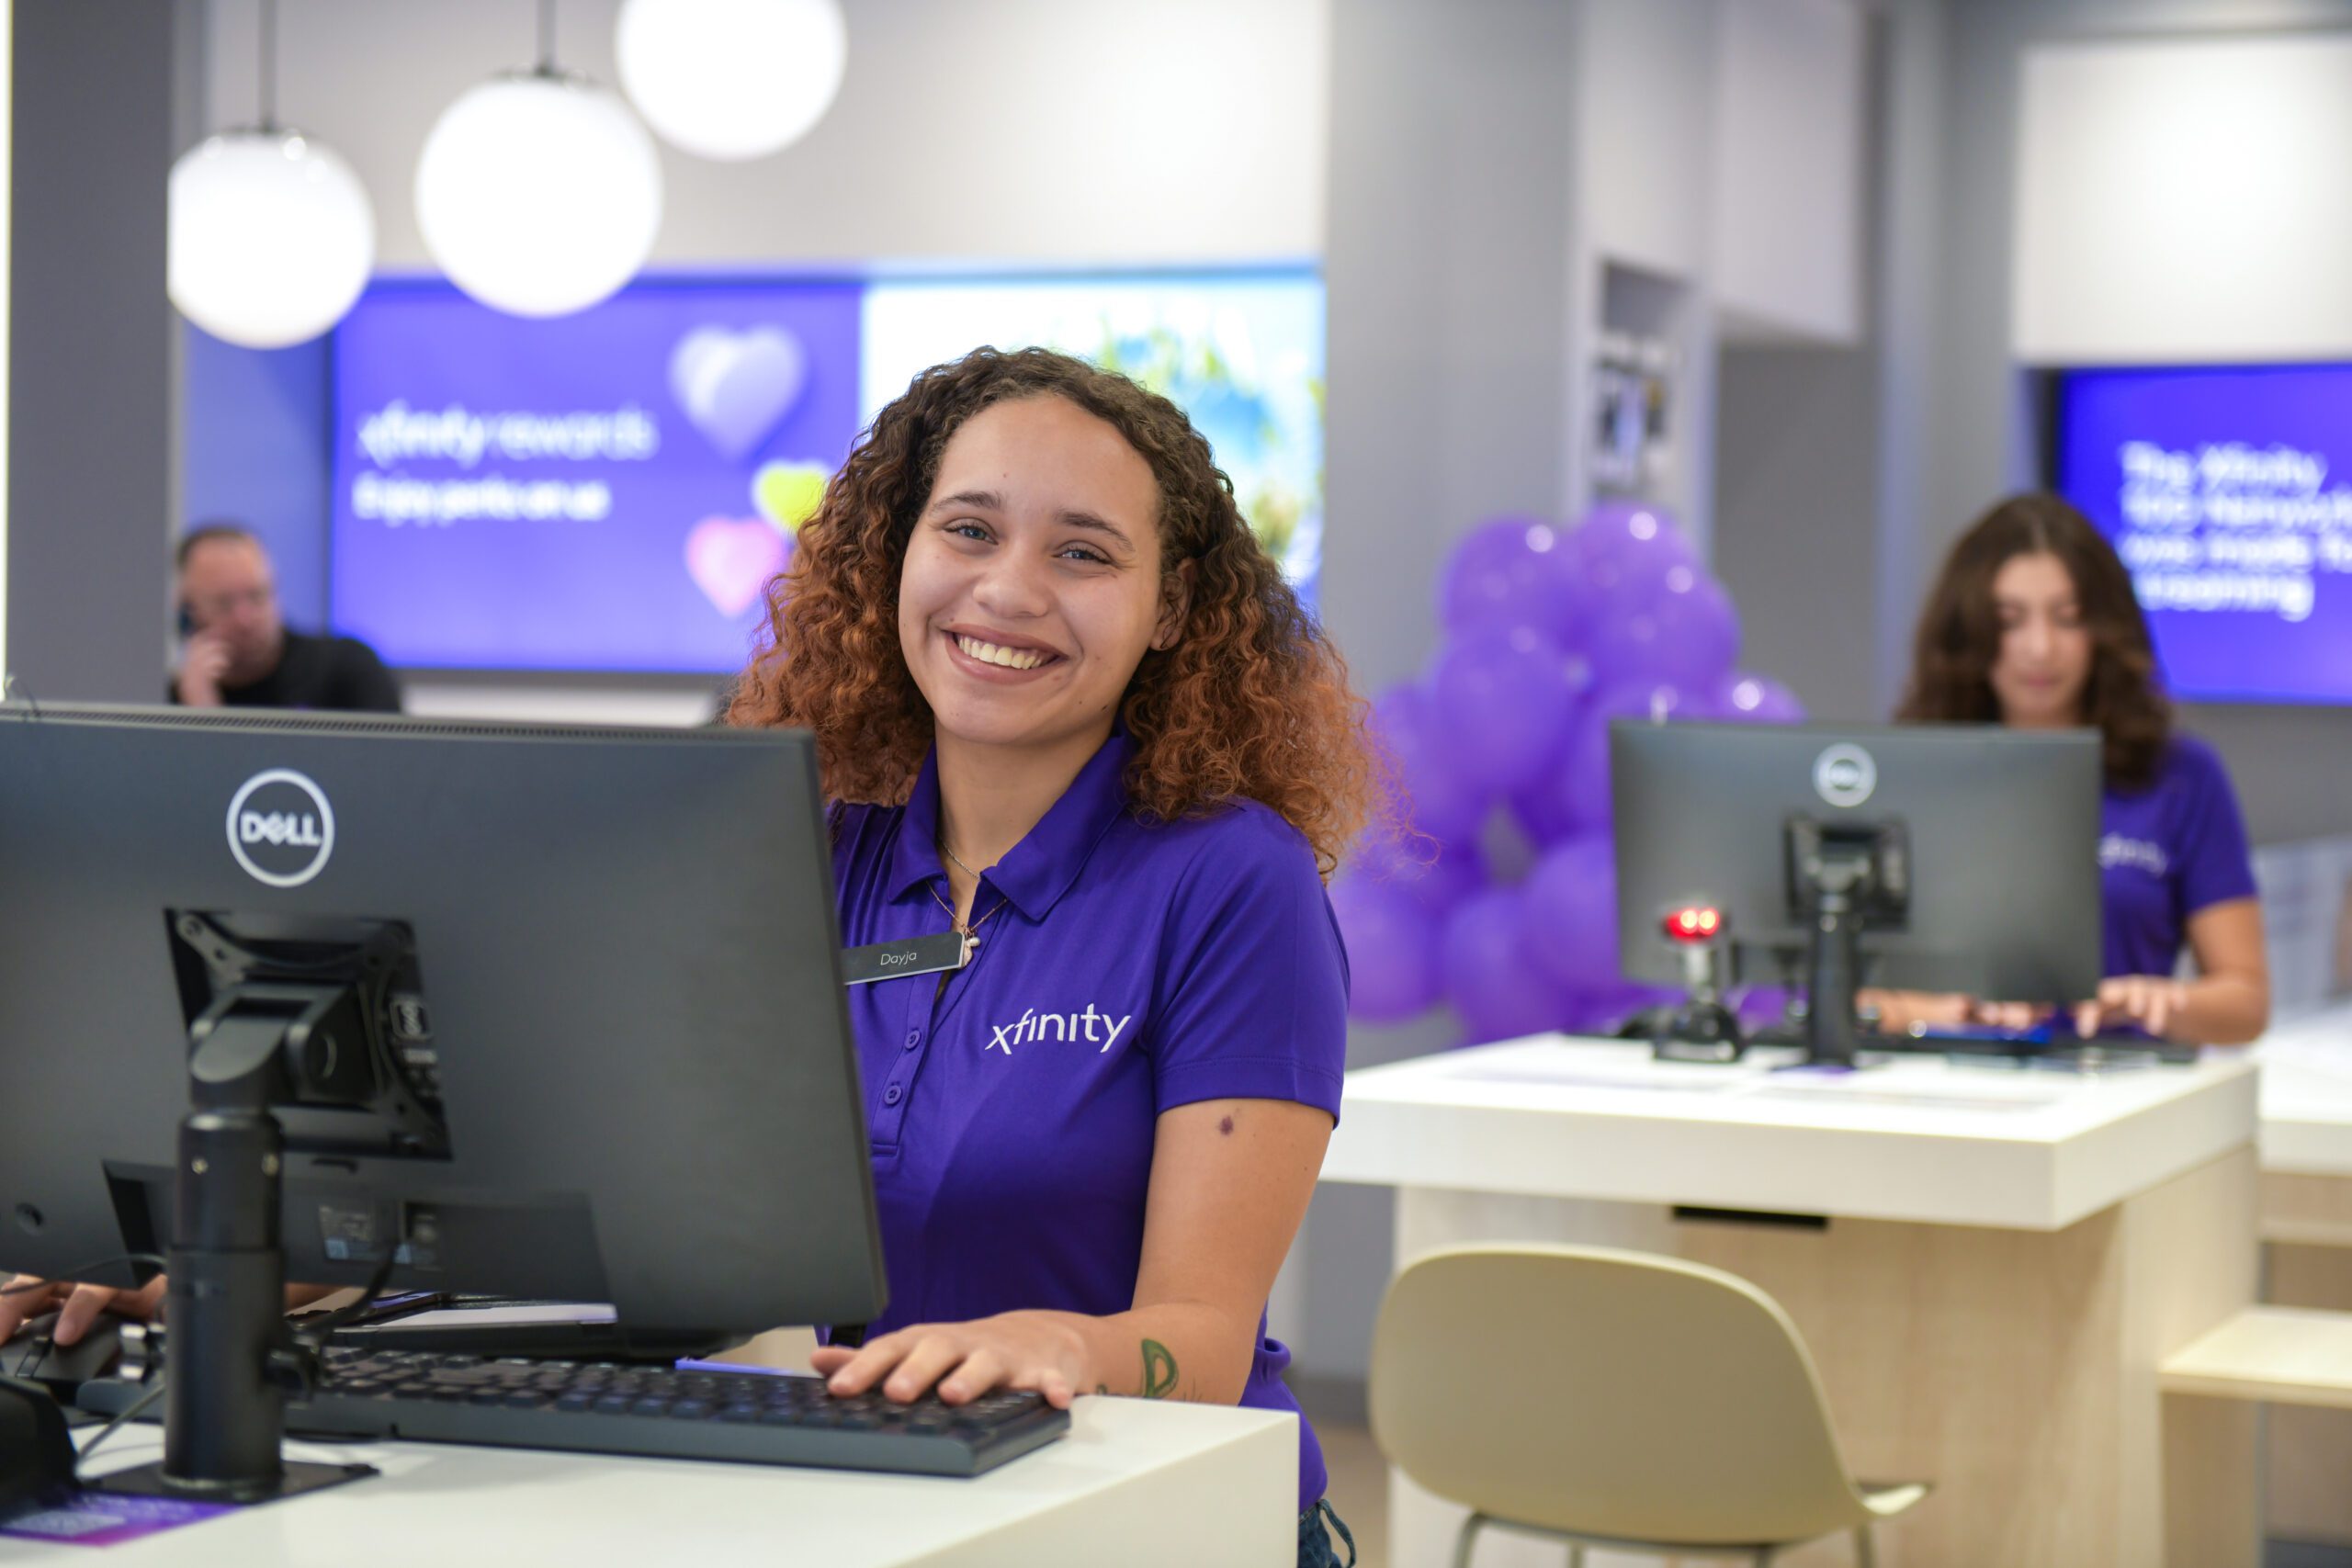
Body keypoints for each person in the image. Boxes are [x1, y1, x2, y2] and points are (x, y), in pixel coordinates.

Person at [10, 350, 1372, 1567]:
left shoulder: (1228, 879)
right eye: (967, 529)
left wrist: (1062, 1342)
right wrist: (236, 1274)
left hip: (1145, 1515)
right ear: (897, 556)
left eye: (1085, 552)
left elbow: (1197, 1335)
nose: (1008, 589)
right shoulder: (791, 851)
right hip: (860, 1503)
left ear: (1176, 602)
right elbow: (587, 1222)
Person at [1870, 491, 2269, 1045]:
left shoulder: (2180, 776)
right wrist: (1937, 1010)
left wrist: (2155, 1002)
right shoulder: (1918, 774)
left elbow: (2244, 1003)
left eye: (2068, 619)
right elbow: (1851, 994)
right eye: (2010, 622)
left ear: (2104, 631)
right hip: (1942, 1096)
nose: (2040, 648)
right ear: (1970, 634)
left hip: (2120, 1094)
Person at [172, 524, 402, 712]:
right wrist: (200, 715)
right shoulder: (172, 702)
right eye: (224, 603)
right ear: (188, 612)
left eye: (257, 596)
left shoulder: (346, 671)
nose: (245, 619)